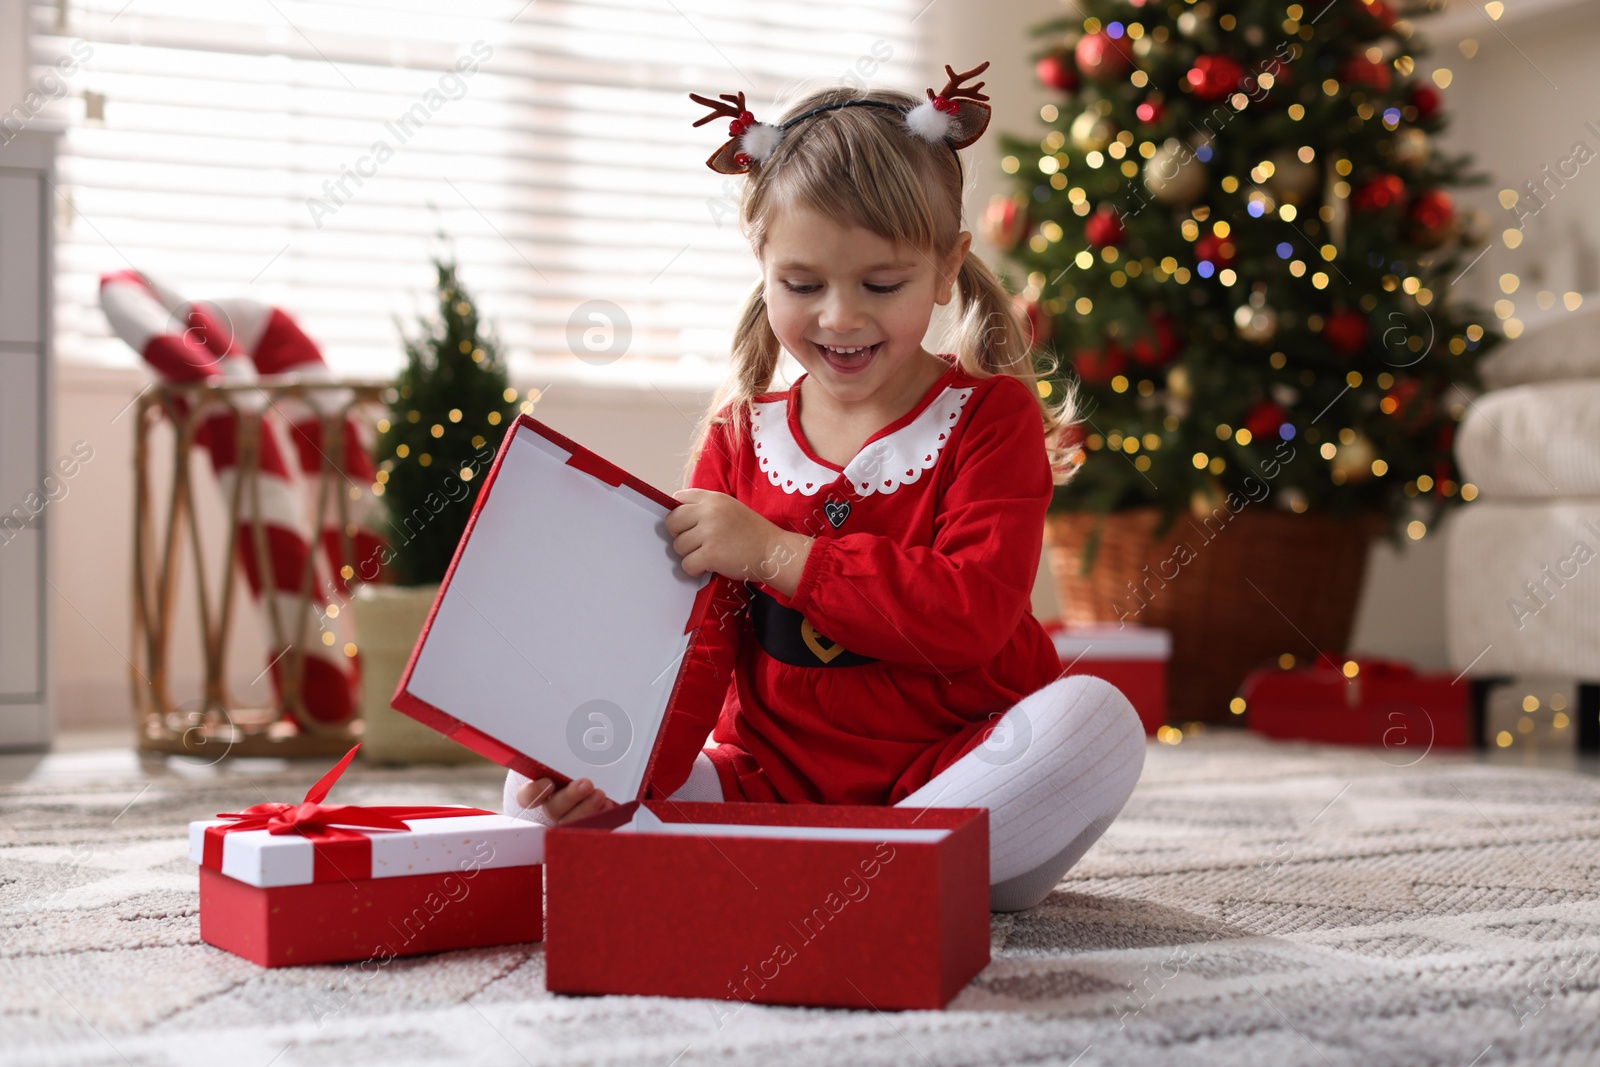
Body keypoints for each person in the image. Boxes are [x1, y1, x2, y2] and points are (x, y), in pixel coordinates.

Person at [505, 63, 1146, 911]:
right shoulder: (740, 437)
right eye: (802, 286)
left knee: (1098, 719)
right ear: (764, 265)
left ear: (947, 268)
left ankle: (877, 866)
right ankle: (872, 876)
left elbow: (970, 618)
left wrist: (779, 553)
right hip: (773, 785)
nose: (840, 318)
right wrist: (617, 776)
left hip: (959, 769)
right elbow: (692, 651)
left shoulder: (991, 417)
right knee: (528, 775)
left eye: (882, 285)